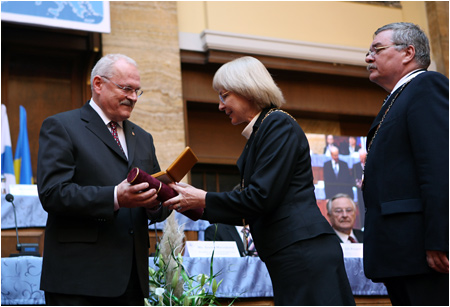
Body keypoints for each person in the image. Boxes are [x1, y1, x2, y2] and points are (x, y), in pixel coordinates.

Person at [163, 56, 355, 305]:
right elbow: (252, 208)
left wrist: (203, 198)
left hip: (303, 251)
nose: (220, 106)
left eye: (224, 95)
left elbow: (260, 197)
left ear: (247, 90)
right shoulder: (264, 129)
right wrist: (196, 203)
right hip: (292, 252)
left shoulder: (277, 123)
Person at [37, 54, 172, 305]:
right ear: (98, 84)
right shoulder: (62, 126)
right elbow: (52, 193)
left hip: (133, 279)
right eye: (126, 88)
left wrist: (154, 202)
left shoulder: (143, 137)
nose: (133, 97)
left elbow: (158, 208)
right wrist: (114, 197)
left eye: (137, 91)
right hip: (79, 279)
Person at [363, 22, 449, 305]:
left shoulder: (426, 86)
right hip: (402, 252)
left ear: (408, 52)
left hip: (423, 252)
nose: (368, 57)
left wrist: (441, 239)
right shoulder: (398, 98)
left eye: (377, 49)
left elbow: (440, 166)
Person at [352, 148, 367, 227]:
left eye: (364, 157)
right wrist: (357, 183)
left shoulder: (370, 164)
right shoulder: (355, 166)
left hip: (369, 191)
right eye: (361, 158)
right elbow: (353, 179)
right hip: (360, 192)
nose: (363, 159)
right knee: (361, 208)